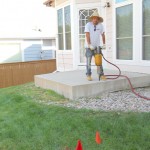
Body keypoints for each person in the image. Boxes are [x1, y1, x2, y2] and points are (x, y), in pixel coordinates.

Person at [84, 11, 106, 81]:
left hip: (97, 47)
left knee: (99, 61)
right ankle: (88, 75)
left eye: (96, 18)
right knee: (88, 61)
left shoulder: (100, 25)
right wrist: (89, 44)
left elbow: (103, 35)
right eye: (94, 18)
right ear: (92, 19)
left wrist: (104, 44)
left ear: (98, 19)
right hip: (89, 47)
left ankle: (101, 74)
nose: (95, 20)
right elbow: (87, 34)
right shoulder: (88, 25)